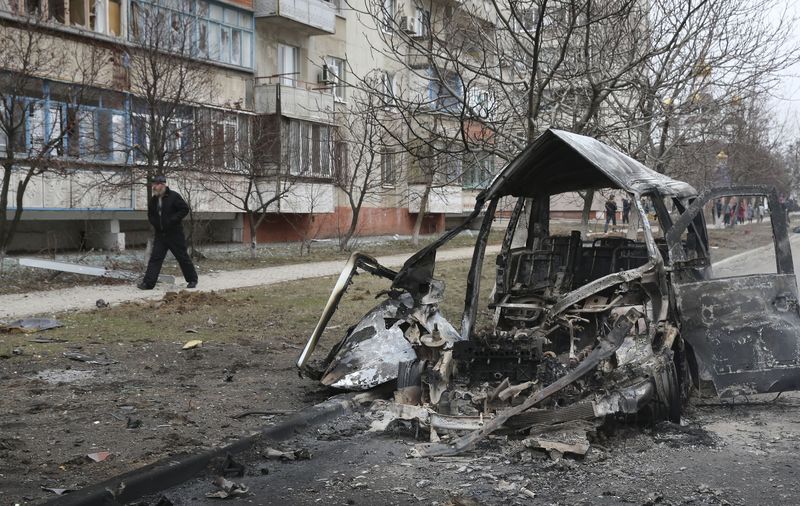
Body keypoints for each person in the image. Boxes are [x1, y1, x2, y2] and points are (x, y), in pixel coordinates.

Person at [138, 175, 198, 290]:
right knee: (155, 258)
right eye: (153, 184)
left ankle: (192, 280)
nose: (154, 186)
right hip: (160, 235)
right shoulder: (153, 200)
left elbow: (184, 209)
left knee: (182, 257)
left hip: (175, 233)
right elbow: (151, 215)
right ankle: (148, 284)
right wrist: (155, 223)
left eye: (156, 184)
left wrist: (173, 220)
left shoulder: (174, 196)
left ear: (163, 184)